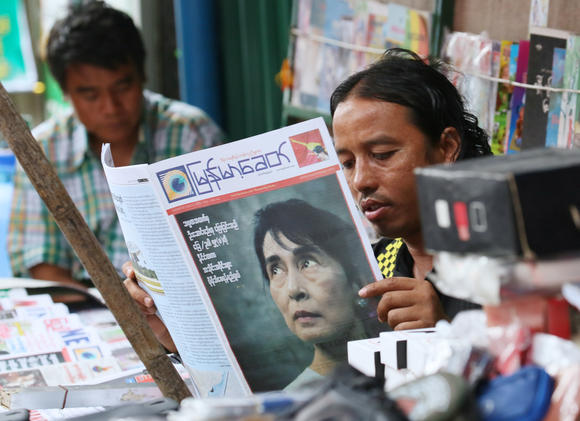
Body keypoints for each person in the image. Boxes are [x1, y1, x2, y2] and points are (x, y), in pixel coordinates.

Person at [8, 1, 222, 288]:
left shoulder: (192, 135)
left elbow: (219, 247)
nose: (110, 108)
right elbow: (41, 266)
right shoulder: (43, 151)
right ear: (66, 93)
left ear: (142, 75)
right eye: (90, 94)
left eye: (122, 87)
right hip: (88, 307)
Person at [330, 48, 492, 330]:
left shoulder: (508, 270)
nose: (360, 181)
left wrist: (444, 329)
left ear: (446, 148)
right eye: (347, 163)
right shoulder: (373, 270)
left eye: (382, 154)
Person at [253, 199, 381, 390]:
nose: (293, 290)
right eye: (276, 270)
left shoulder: (411, 359)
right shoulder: (292, 404)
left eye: (308, 263)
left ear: (354, 277)